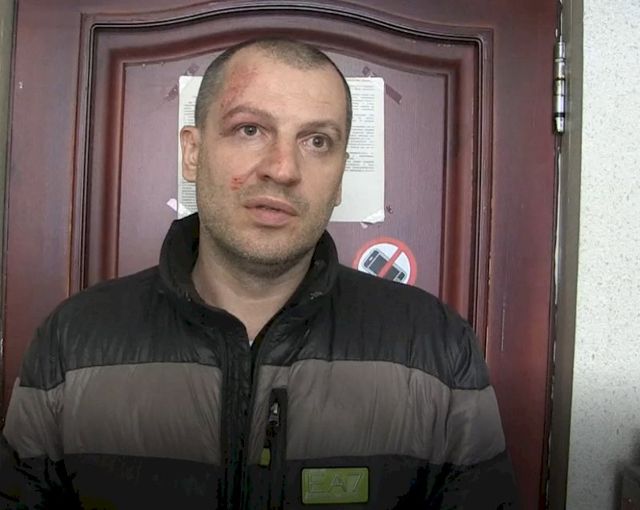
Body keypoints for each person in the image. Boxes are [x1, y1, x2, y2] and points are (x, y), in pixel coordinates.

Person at [1, 38, 518, 509]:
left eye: (317, 141)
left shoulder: (434, 348)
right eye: (250, 130)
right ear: (192, 151)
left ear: (339, 176)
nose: (283, 168)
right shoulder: (73, 342)